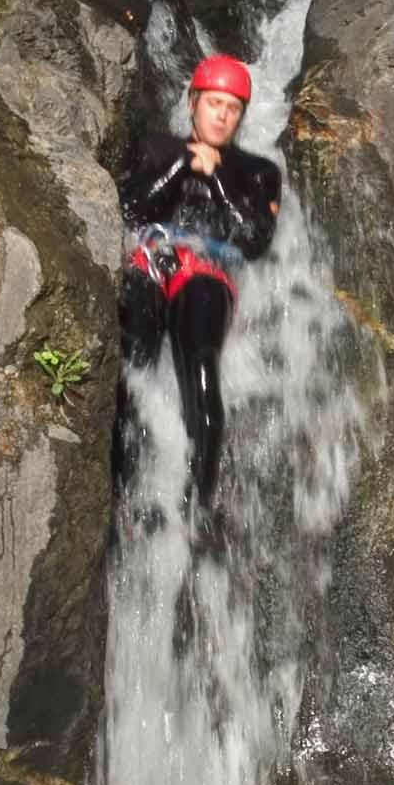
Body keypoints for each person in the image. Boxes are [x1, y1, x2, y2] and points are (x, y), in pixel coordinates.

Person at [113, 54, 281, 520]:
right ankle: (123, 491)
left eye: (233, 108)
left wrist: (217, 176)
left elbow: (254, 242)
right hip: (150, 260)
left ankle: (196, 505)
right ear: (192, 104)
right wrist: (184, 165)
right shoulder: (155, 148)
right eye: (214, 104)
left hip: (207, 271)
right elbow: (129, 209)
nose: (222, 116)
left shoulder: (258, 172)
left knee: (201, 364)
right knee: (133, 363)